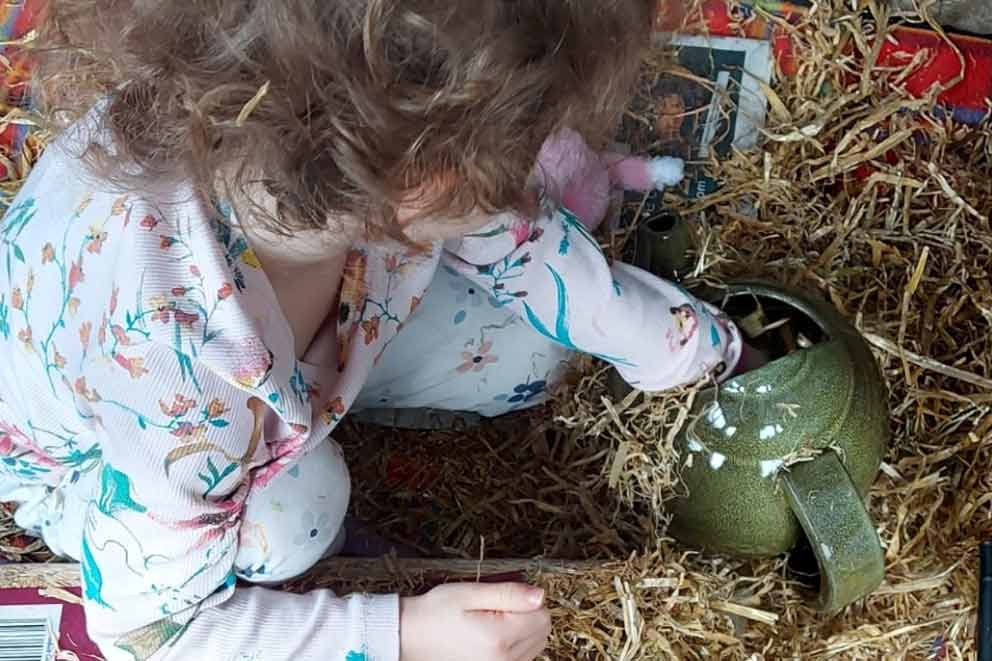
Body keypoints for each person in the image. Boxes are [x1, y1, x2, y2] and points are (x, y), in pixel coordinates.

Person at [0, 2, 755, 659]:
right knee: (296, 515)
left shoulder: (320, 132)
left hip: (311, 319)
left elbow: (518, 242)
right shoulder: (176, 379)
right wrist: (401, 635)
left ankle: (312, 409)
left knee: (537, 354)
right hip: (95, 459)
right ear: (431, 180)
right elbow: (147, 633)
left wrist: (697, 343)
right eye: (529, 140)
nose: (541, 154)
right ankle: (292, 461)